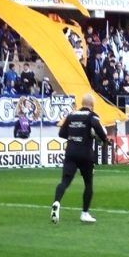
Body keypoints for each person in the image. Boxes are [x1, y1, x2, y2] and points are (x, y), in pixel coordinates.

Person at [51, 93, 108, 224]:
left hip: (70, 152)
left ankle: (56, 202)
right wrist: (104, 140)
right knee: (88, 183)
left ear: (82, 103)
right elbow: (99, 128)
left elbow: (61, 133)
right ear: (92, 105)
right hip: (85, 154)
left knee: (64, 181)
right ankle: (85, 213)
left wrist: (74, 137)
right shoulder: (92, 116)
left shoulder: (71, 115)